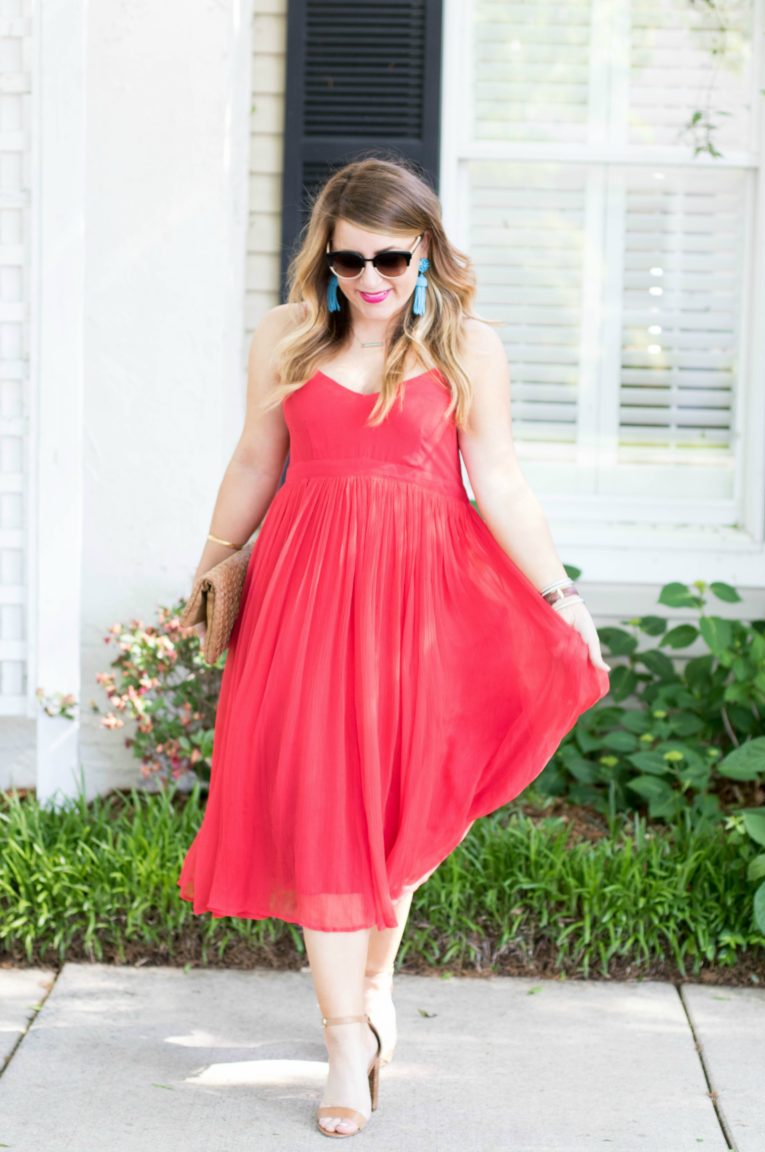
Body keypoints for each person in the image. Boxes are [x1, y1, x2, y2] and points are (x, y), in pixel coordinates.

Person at [177, 154, 611, 1139]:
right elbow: (256, 454)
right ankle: (344, 1043)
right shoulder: (289, 337)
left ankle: (374, 984)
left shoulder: (468, 347)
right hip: (302, 600)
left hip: (424, 607)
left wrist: (559, 593)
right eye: (352, 261)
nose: (371, 281)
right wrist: (208, 565)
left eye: (393, 262)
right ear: (326, 259)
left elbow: (498, 481)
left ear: (427, 257)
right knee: (327, 815)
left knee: (394, 825)